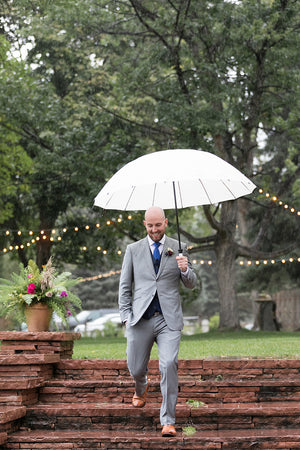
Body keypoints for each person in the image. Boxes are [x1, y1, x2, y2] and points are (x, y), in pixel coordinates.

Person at [118, 206, 197, 437]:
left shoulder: (179, 247)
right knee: (135, 367)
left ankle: (168, 421)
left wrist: (185, 270)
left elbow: (191, 283)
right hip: (140, 318)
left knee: (168, 364)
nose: (155, 230)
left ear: (166, 222)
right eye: (150, 225)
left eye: (158, 225)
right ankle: (140, 389)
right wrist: (125, 317)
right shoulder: (133, 250)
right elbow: (125, 286)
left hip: (168, 320)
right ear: (145, 224)